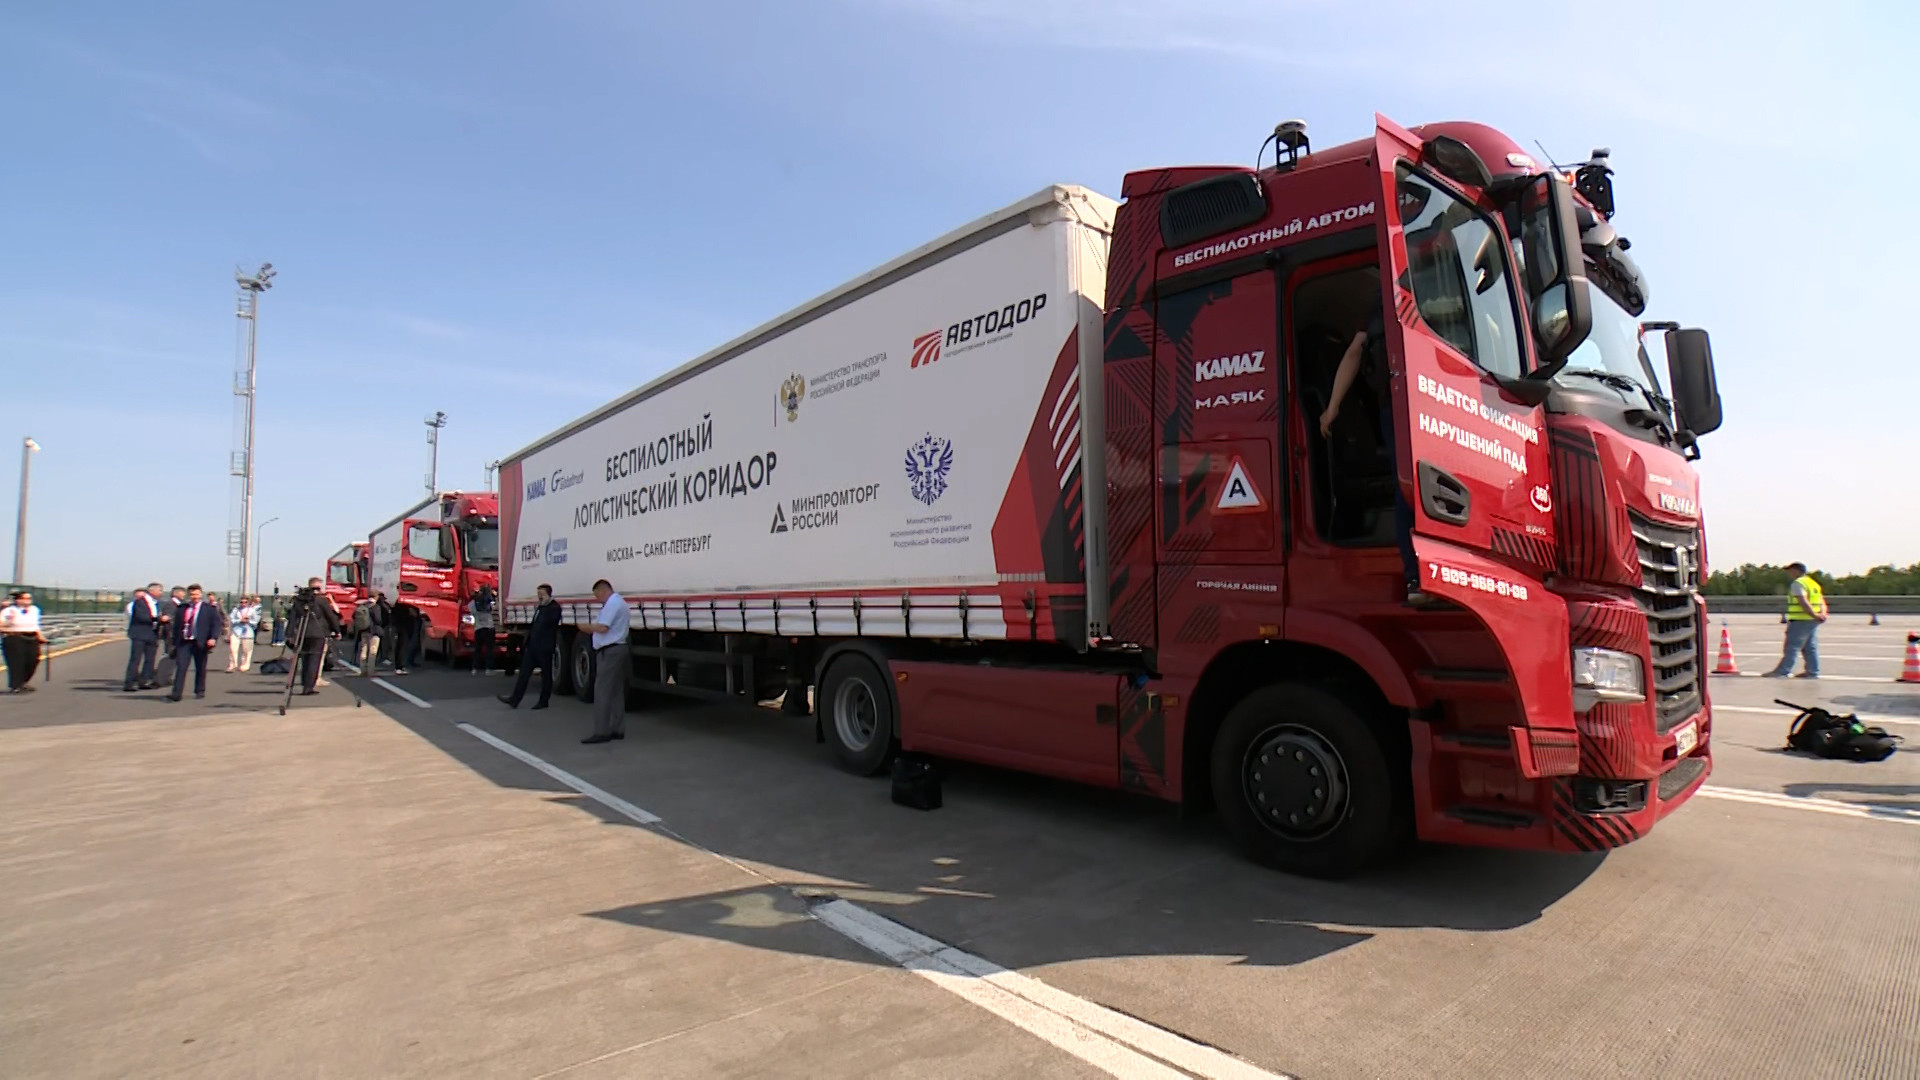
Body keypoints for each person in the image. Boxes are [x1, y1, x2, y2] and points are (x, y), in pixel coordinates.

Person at [1319, 296, 1431, 606]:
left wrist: (1332, 409)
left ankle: (1417, 578)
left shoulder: (1378, 308)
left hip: (1394, 404)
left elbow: (1354, 352)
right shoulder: (1436, 291)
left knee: (1407, 484)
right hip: (1433, 399)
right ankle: (1430, 574)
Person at [581, 579, 629, 744]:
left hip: (610, 650)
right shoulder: (618, 602)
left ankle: (601, 731)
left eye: (597, 596)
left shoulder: (612, 604)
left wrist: (586, 627)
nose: (598, 599)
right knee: (615, 691)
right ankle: (617, 728)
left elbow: (603, 627)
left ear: (603, 591)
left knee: (602, 690)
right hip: (616, 649)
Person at [499, 584, 560, 711]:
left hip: (545, 647)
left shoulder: (553, 607)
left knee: (546, 675)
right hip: (533, 647)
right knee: (524, 673)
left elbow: (550, 622)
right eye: (538, 594)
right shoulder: (540, 607)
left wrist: (544, 606)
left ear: (548, 594)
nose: (539, 596)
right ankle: (514, 700)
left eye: (542, 594)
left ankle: (544, 701)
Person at [1765, 562, 1827, 679]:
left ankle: (1783, 671)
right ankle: (1812, 671)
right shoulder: (1813, 584)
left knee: (1792, 646)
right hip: (1812, 620)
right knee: (1810, 647)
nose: (1789, 573)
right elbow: (1822, 602)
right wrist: (1822, 614)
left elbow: (1802, 601)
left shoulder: (1798, 583)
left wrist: (1813, 614)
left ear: (1796, 570)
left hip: (1801, 619)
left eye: (1790, 570)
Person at [167, 584, 222, 701]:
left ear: (201, 594)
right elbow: (176, 626)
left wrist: (213, 638)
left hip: (200, 642)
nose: (194, 597)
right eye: (192, 594)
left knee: (200, 667)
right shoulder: (182, 608)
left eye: (196, 594)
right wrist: (174, 643)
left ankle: (200, 690)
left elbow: (216, 625)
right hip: (184, 642)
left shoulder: (209, 609)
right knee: (181, 667)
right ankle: (176, 693)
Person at [287, 580, 342, 695]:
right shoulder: (321, 601)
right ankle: (308, 686)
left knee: (305, 659)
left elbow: (292, 618)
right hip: (318, 633)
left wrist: (290, 634)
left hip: (302, 633)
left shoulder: (299, 601)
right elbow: (330, 617)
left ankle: (305, 682)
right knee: (314, 659)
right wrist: (337, 630)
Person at [2, 590, 46, 693]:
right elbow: (1, 625)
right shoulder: (9, 611)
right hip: (14, 637)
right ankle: (15, 685)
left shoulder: (34, 609)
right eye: (25, 598)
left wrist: (40, 636)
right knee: (16, 662)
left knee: (33, 660)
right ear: (18, 600)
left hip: (31, 637)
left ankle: (23, 682)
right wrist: (9, 622)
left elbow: (36, 625)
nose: (28, 601)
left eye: (29, 598)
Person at [124, 583, 165, 691]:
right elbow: (142, 617)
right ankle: (130, 682)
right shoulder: (140, 602)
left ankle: (145, 680)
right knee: (136, 659)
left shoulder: (157, 604)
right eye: (160, 590)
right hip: (140, 634)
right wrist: (159, 619)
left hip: (152, 634)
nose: (161, 593)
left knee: (150, 659)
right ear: (152, 591)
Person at [225, 595, 261, 673]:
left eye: (245, 602)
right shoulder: (236, 610)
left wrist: (248, 621)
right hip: (236, 630)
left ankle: (245, 665)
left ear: (248, 602)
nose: (243, 603)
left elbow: (256, 621)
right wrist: (239, 620)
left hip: (248, 631)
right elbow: (231, 619)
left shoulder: (252, 610)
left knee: (247, 649)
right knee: (233, 648)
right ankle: (232, 664)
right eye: (242, 602)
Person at [470, 585, 498, 675]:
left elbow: (470, 609)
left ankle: (475, 668)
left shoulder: (473, 603)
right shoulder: (490, 603)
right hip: (489, 627)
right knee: (489, 649)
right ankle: (488, 669)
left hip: (478, 628)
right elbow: (496, 608)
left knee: (478, 649)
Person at [391, 599, 420, 675]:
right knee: (402, 647)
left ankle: (400, 666)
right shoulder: (405, 604)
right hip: (403, 627)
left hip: (401, 626)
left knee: (401, 646)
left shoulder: (400, 603)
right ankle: (399, 667)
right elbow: (413, 614)